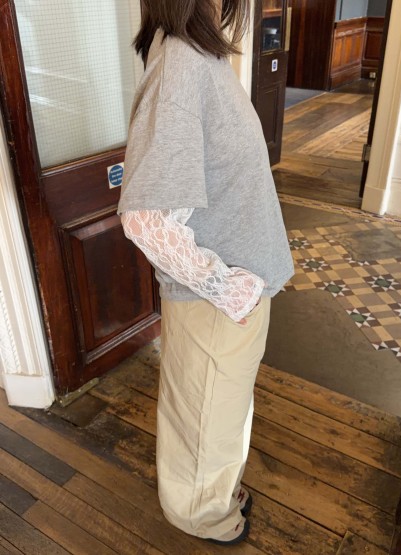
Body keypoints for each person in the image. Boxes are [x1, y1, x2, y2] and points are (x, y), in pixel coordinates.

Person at [117, 0, 294, 546]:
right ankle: (201, 515)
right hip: (218, 300)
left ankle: (215, 494)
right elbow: (146, 218)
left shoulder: (200, 55)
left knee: (220, 411)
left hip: (236, 287)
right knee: (206, 419)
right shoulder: (182, 64)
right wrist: (228, 287)